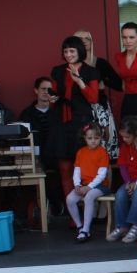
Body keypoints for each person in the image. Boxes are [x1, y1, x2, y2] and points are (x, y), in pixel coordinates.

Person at [53, 35, 101, 191]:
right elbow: (54, 94)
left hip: (82, 123)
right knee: (64, 168)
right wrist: (52, 98)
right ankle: (70, 204)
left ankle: (87, 202)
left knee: (85, 167)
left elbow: (93, 98)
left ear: (80, 51)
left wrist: (79, 81)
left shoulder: (91, 71)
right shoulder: (57, 71)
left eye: (72, 51)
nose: (68, 55)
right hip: (62, 122)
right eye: (65, 51)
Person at [19, 76, 65, 217]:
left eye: (49, 89)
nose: (46, 92)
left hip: (55, 158)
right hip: (35, 158)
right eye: (43, 89)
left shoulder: (58, 113)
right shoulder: (26, 114)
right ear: (36, 91)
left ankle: (57, 206)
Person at [107, 117, 137, 243]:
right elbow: (123, 167)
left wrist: (136, 184)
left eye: (127, 137)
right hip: (130, 182)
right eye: (123, 137)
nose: (124, 139)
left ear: (136, 133)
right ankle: (122, 226)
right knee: (120, 194)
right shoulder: (125, 147)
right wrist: (128, 183)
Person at [65, 124, 109, 243]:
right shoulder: (81, 152)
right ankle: (80, 227)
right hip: (84, 184)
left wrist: (89, 187)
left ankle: (86, 229)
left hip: (100, 185)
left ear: (100, 138)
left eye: (96, 138)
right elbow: (77, 171)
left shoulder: (102, 152)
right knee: (70, 199)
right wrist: (77, 185)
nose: (93, 141)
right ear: (85, 138)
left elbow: (101, 175)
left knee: (89, 197)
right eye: (90, 138)